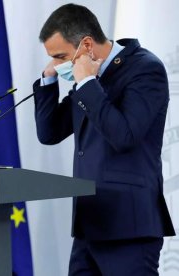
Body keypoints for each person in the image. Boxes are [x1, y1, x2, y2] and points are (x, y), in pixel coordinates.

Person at [33, 3, 175, 275]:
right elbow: (49, 133)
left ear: (86, 44)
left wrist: (87, 84)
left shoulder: (145, 69)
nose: (58, 64)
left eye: (61, 57)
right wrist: (49, 78)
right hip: (89, 226)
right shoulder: (87, 76)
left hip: (129, 229)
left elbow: (124, 136)